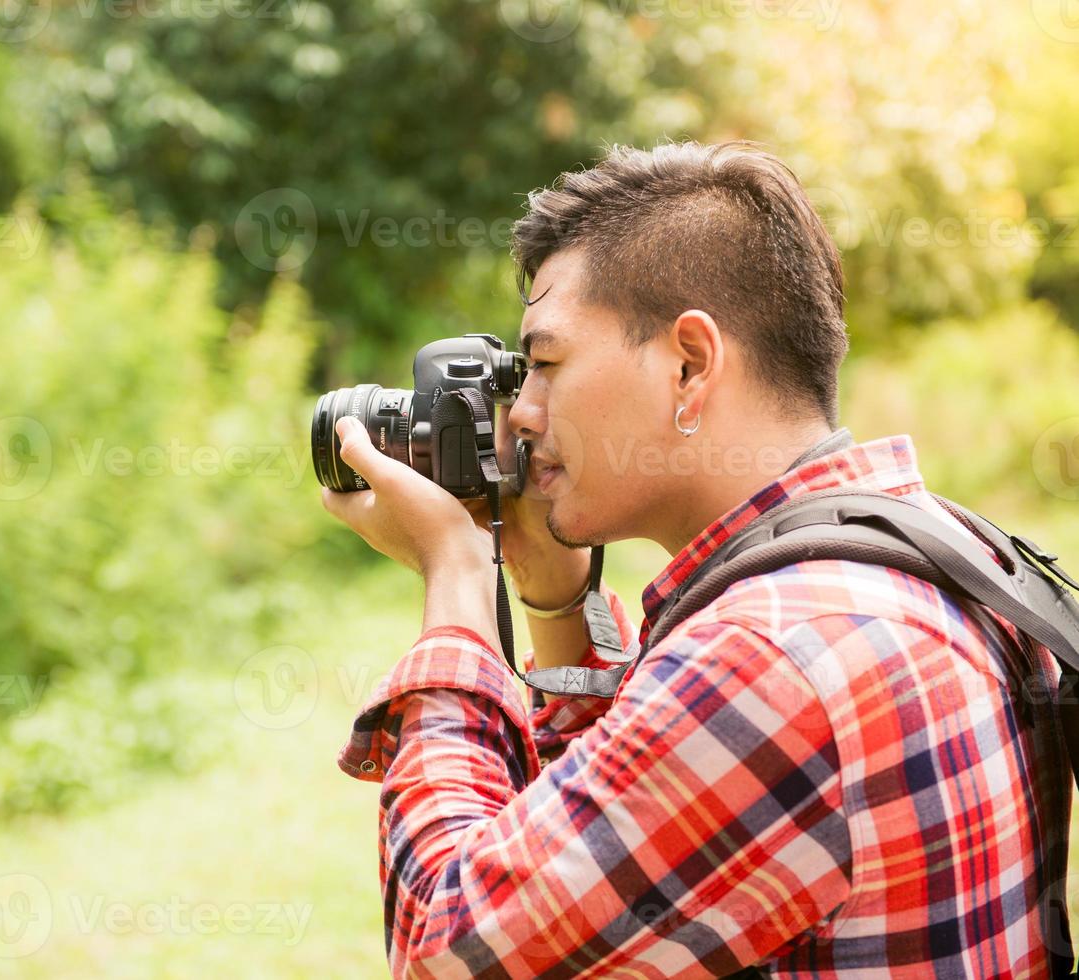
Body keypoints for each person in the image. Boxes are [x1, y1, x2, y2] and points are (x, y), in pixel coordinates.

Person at [320, 141, 1068, 977]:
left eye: (543, 363)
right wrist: (552, 597)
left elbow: (446, 948)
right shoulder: (930, 548)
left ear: (690, 363)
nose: (520, 412)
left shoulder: (770, 656)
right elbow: (609, 854)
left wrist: (456, 580)